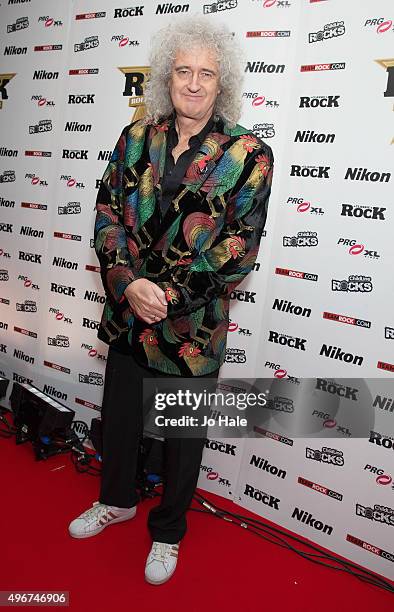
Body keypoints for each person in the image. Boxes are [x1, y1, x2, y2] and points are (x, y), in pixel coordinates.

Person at [68, 16, 274, 585]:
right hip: (128, 313)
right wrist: (128, 282)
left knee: (183, 439)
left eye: (206, 73)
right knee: (121, 418)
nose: (193, 82)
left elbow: (238, 247)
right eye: (183, 69)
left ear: (221, 82)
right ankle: (116, 500)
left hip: (191, 328)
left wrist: (168, 296)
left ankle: (168, 532)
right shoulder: (135, 137)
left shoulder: (248, 154)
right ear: (167, 76)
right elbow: (106, 212)